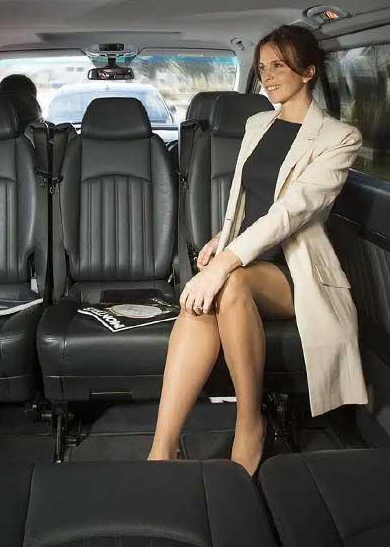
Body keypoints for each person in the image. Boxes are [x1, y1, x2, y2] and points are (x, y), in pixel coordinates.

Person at [148, 24, 368, 475]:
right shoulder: (257, 124)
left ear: (308, 71)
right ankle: (162, 448)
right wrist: (221, 240)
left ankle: (249, 422)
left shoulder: (340, 137)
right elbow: (246, 201)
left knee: (228, 284)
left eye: (278, 66)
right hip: (245, 257)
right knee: (200, 304)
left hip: (295, 269)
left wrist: (223, 264)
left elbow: (291, 211)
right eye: (262, 67)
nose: (267, 76)